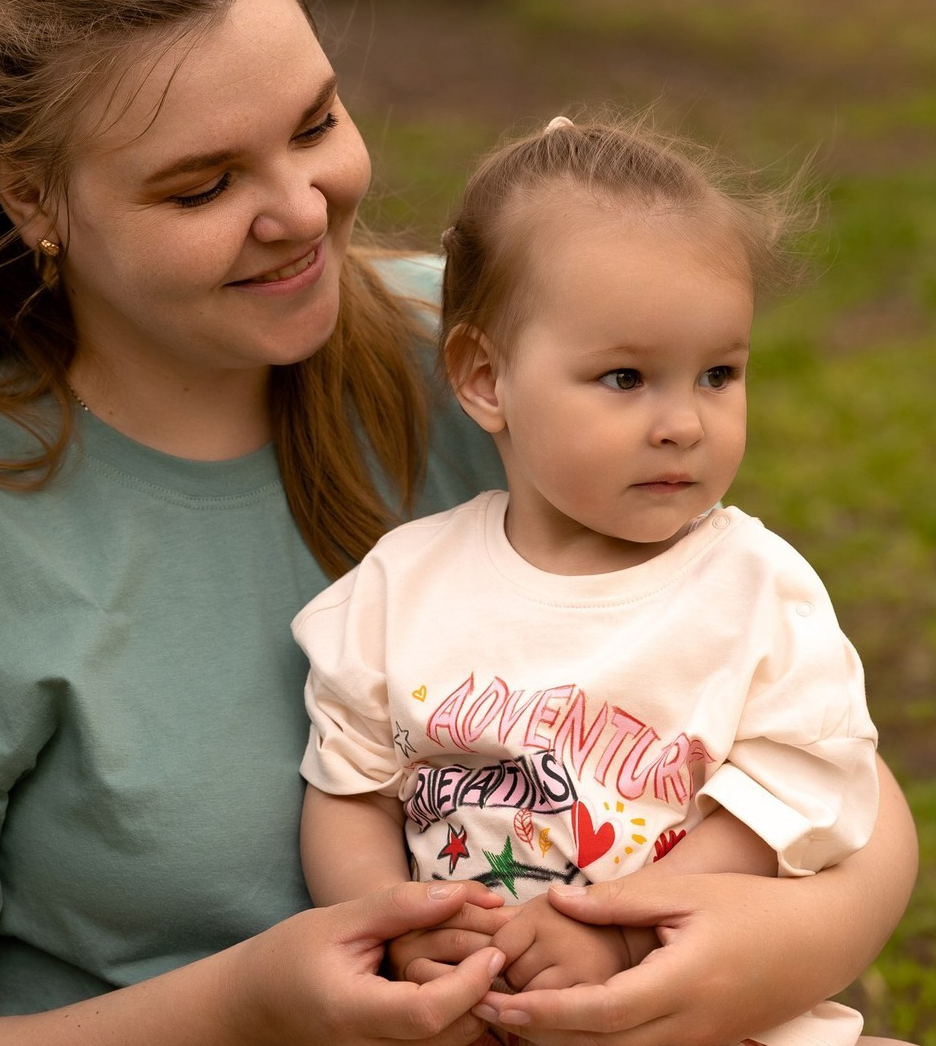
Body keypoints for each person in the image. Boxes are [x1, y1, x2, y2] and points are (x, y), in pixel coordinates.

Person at [0, 0, 916, 1046]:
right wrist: (244, 1008)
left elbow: (796, 727)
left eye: (314, 123)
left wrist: (765, 949)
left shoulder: (498, 369)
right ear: (32, 196)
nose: (298, 212)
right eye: (200, 187)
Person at [295, 117, 887, 1046]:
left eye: (718, 375)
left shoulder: (752, 591)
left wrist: (623, 932)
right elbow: (348, 791)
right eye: (626, 377)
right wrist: (401, 926)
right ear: (486, 377)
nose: (683, 424)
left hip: (694, 1018)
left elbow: (789, 800)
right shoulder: (400, 588)